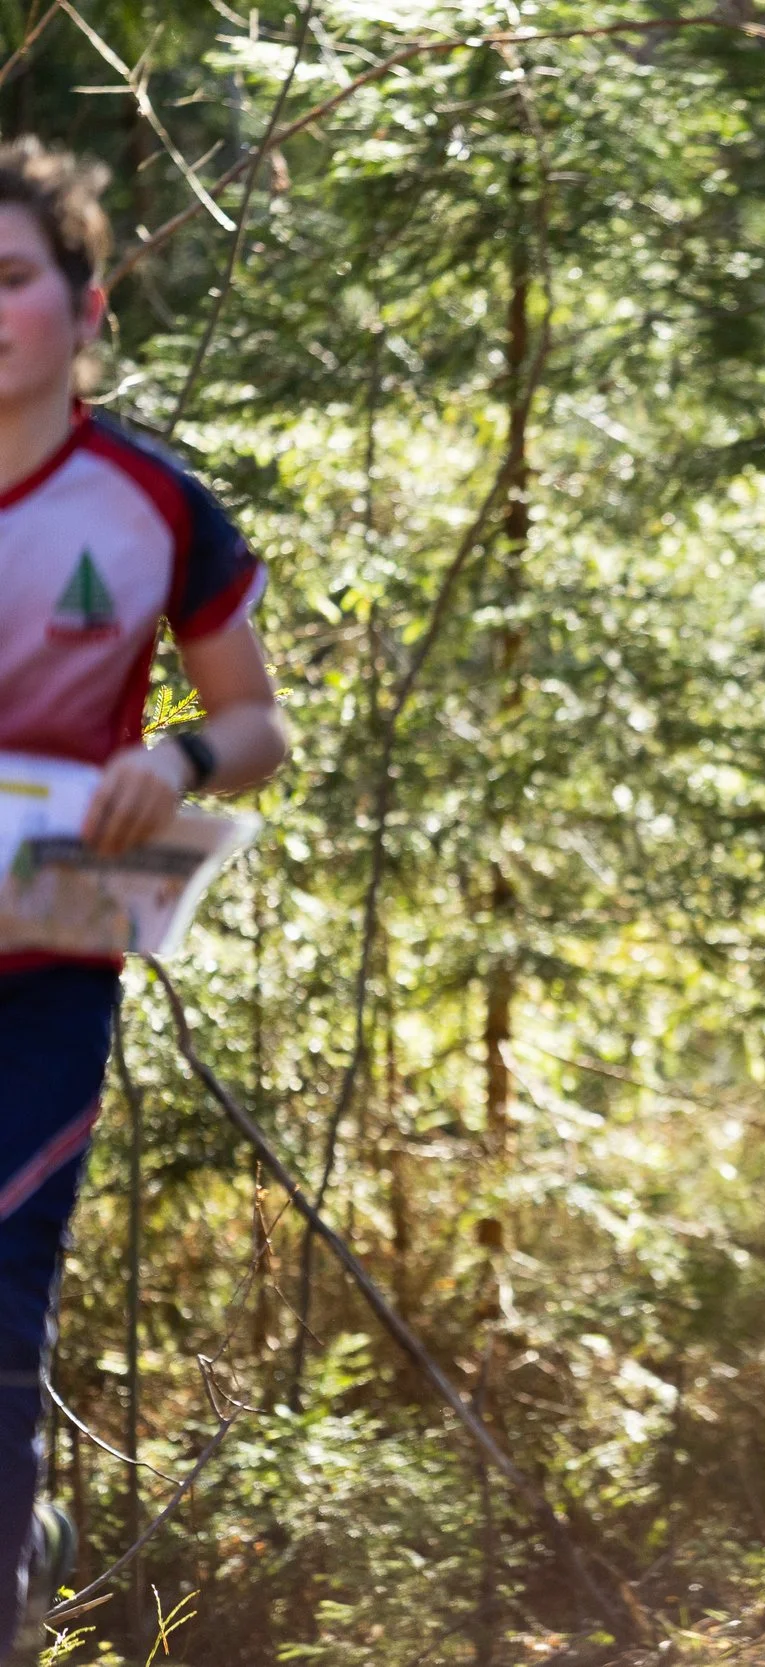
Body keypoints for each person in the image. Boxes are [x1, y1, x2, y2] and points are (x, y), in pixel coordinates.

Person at [0, 139, 288, 1656]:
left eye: (10, 278)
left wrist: (176, 755)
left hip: (50, 960)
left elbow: (261, 728)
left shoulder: (155, 505)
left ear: (85, 306)